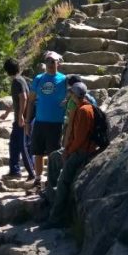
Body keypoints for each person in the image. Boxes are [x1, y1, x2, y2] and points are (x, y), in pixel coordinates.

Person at [44, 83, 99, 227]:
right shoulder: (80, 107)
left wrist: (68, 152)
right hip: (77, 147)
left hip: (82, 151)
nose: (69, 95)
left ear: (75, 95)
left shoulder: (84, 111)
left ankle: (55, 218)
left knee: (63, 181)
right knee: (54, 156)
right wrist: (65, 149)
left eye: (71, 93)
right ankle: (51, 198)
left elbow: (80, 139)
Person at [25, 51, 67, 190]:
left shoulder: (64, 79)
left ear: (58, 63)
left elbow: (72, 96)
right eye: (48, 61)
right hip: (40, 121)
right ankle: (37, 180)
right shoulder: (38, 79)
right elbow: (30, 101)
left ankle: (51, 181)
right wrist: (27, 122)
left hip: (56, 122)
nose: (50, 64)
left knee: (53, 153)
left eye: (53, 61)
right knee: (37, 151)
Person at [0, 58, 35, 183]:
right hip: (19, 120)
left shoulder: (17, 81)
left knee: (24, 146)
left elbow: (24, 98)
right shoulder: (21, 79)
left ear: (7, 71)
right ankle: (14, 171)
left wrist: (20, 116)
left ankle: (32, 173)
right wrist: (7, 113)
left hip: (23, 120)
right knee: (14, 145)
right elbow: (16, 100)